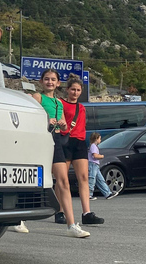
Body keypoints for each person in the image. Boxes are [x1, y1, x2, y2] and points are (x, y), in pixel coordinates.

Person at [28, 69, 90, 238]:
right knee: (32, 180)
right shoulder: (37, 98)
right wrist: (46, 120)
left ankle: (71, 224)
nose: (49, 82)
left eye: (53, 79)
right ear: (41, 81)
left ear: (58, 83)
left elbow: (65, 127)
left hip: (55, 140)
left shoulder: (58, 103)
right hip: (40, 140)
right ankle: (18, 220)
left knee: (63, 181)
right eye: (46, 79)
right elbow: (30, 119)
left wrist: (63, 125)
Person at [60, 75, 104, 226]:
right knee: (62, 178)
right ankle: (60, 211)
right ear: (67, 90)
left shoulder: (82, 107)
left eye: (78, 90)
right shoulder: (61, 104)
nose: (75, 92)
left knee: (84, 177)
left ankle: (87, 213)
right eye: (73, 89)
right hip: (65, 141)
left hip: (79, 142)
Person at [87, 132, 118, 200]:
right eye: (100, 138)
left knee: (100, 180)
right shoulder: (93, 146)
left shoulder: (94, 146)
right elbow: (95, 155)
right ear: (96, 139)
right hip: (93, 164)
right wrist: (101, 156)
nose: (100, 140)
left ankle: (107, 193)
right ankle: (89, 194)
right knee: (92, 179)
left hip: (95, 165)